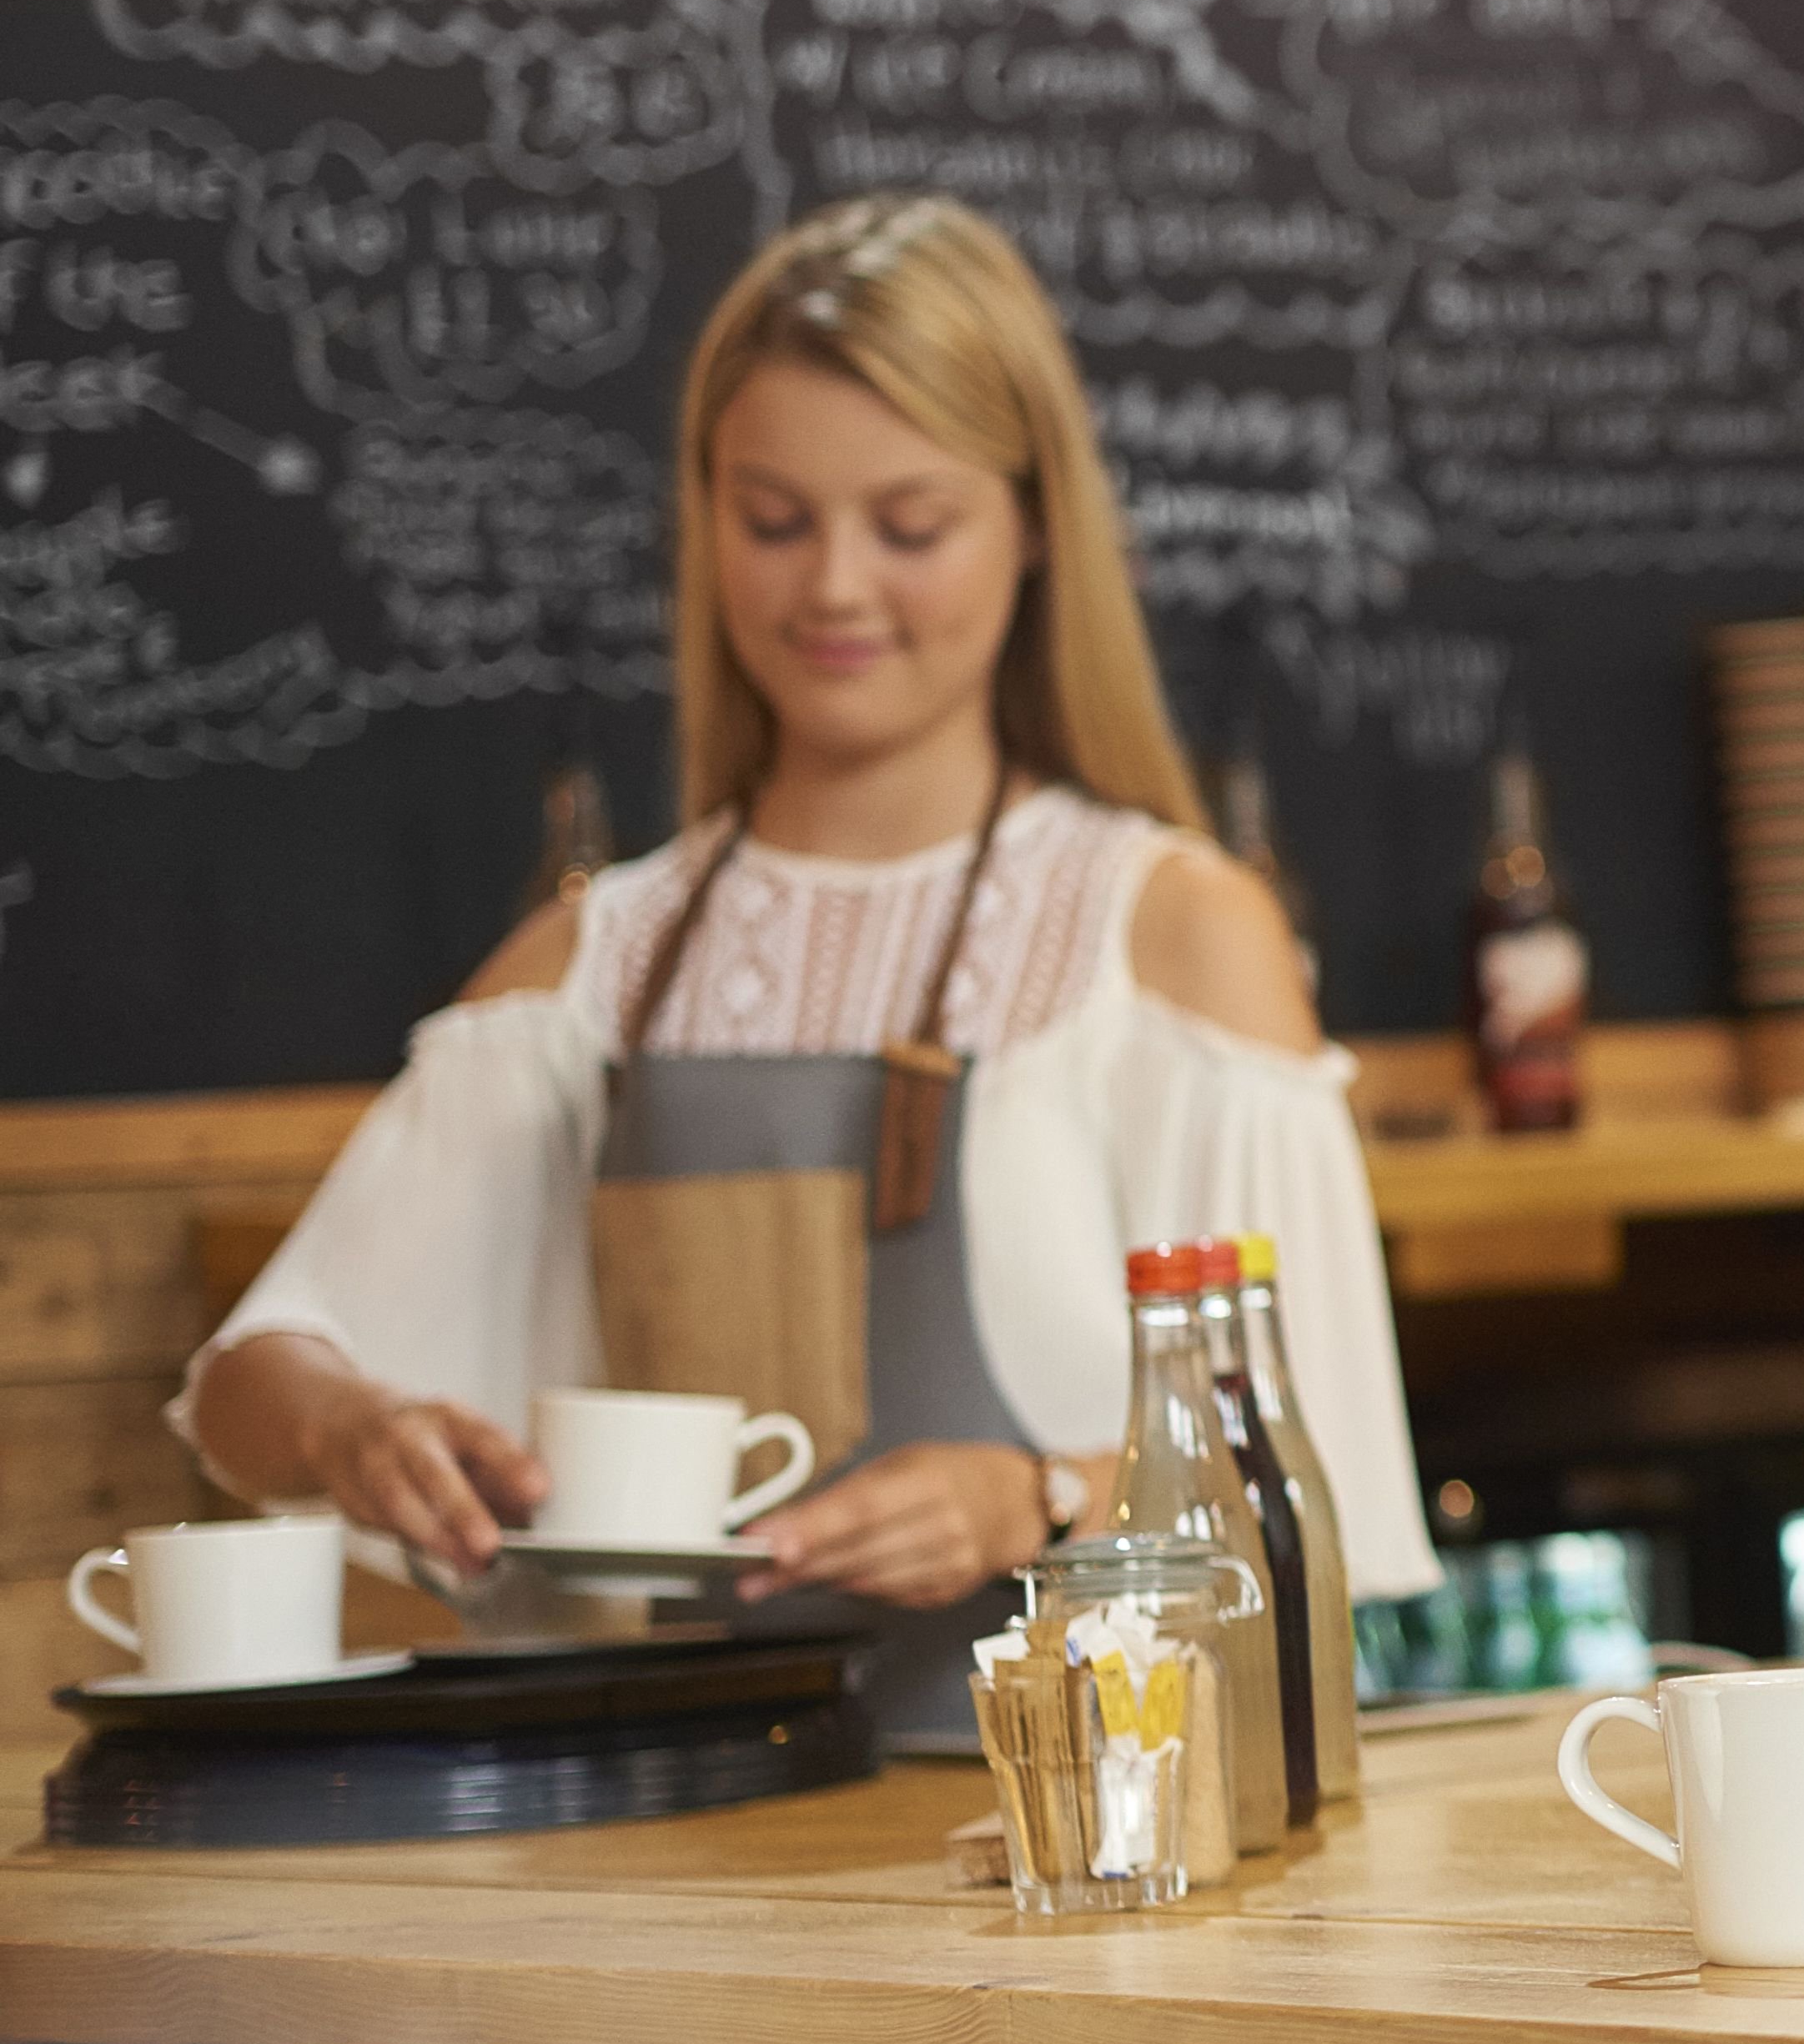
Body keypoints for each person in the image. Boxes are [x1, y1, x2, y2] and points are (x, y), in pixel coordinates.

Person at [187, 196, 1437, 1734]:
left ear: (1036, 524)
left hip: (1090, 1844)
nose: (835, 587)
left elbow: (1321, 1493)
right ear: (704, 518)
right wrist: (348, 1431)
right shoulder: (595, 965)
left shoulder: (1168, 937)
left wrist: (1035, 1499)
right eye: (774, 519)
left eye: (909, 526)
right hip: (670, 1837)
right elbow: (249, 1382)